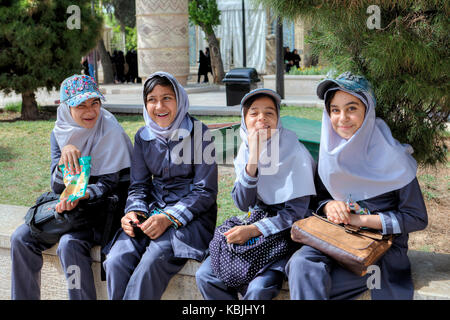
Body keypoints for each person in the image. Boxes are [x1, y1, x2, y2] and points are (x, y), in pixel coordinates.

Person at [285, 72, 428, 300]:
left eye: (351, 108)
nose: (342, 118)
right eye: (335, 110)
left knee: (319, 285)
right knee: (301, 264)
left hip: (380, 250)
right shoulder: (330, 154)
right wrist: (330, 205)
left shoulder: (394, 159)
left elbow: (417, 217)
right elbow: (317, 200)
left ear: (367, 111)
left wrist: (359, 220)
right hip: (335, 238)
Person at [10, 74, 133, 300]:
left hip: (104, 211)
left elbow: (111, 185)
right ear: (67, 108)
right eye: (81, 105)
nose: (90, 111)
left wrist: (83, 195)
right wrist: (64, 156)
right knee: (20, 238)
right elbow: (57, 188)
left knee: (69, 244)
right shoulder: (60, 132)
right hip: (72, 208)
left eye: (94, 103)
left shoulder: (110, 130)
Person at [103, 71, 218, 300]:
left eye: (167, 98)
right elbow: (138, 186)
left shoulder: (199, 133)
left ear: (179, 99)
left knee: (152, 261)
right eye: (151, 99)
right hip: (152, 212)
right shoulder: (143, 137)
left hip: (190, 220)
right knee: (116, 260)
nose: (159, 106)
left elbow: (205, 191)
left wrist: (168, 218)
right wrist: (133, 213)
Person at [195, 88, 316, 300]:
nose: (262, 118)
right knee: (206, 276)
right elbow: (243, 203)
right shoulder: (245, 150)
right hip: (255, 225)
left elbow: (296, 214)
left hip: (284, 234)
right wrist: (253, 160)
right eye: (254, 113)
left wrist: (253, 230)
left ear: (278, 119)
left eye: (269, 113)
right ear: (244, 119)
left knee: (259, 289)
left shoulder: (296, 154)